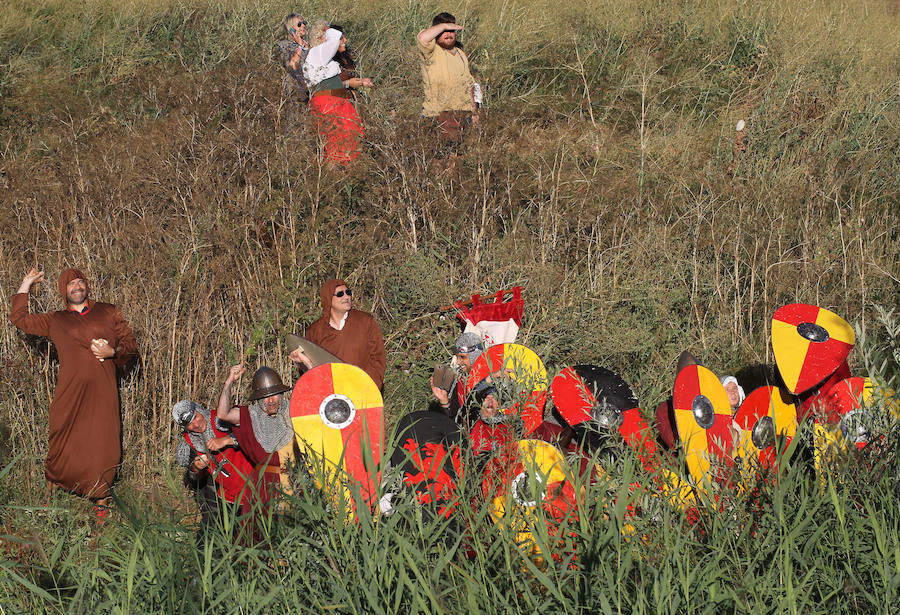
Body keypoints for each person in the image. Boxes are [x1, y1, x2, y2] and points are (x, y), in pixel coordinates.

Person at [9, 267, 136, 516]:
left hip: (102, 393)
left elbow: (130, 344)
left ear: (86, 285)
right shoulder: (57, 320)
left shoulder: (108, 311)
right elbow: (20, 318)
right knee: (61, 440)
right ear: (63, 291)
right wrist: (26, 284)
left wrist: (114, 352)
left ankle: (101, 503)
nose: (77, 286)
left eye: (80, 282)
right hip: (69, 393)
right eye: (71, 284)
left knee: (103, 444)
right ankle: (51, 491)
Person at [215, 365, 300, 509]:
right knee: (260, 528)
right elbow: (223, 414)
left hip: (296, 481)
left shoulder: (293, 410)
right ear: (258, 399)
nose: (271, 401)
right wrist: (229, 382)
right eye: (265, 398)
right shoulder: (251, 414)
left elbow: (320, 402)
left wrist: (307, 363)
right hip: (265, 486)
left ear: (281, 394)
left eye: (274, 395)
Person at [173, 400, 253, 544]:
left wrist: (228, 439)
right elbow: (194, 478)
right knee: (215, 541)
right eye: (190, 424)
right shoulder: (189, 442)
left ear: (199, 409)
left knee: (253, 538)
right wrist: (196, 468)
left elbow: (257, 432)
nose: (196, 424)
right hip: (226, 498)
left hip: (253, 491)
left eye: (196, 417)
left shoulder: (222, 419)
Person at [294, 279, 386, 389]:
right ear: (328, 298)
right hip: (331, 394)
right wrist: (301, 361)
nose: (346, 296)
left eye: (348, 292)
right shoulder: (316, 330)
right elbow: (312, 368)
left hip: (363, 390)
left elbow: (378, 357)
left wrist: (368, 386)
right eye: (340, 294)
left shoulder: (365, 321)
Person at [303, 21, 374, 164]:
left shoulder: (324, 58)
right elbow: (334, 37)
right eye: (342, 38)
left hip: (338, 104)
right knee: (337, 148)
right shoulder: (317, 53)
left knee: (348, 145)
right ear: (323, 38)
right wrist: (327, 29)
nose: (344, 40)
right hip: (328, 105)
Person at [416, 13, 478, 152]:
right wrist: (444, 26)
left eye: (452, 30)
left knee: (457, 157)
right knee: (439, 158)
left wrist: (474, 112)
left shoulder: (460, 54)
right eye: (444, 31)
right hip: (438, 112)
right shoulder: (431, 51)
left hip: (462, 113)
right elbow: (422, 38)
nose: (448, 34)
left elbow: (469, 84)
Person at [430, 332, 484, 423]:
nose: (458, 362)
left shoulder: (491, 381)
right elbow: (453, 422)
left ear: (475, 355)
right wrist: (444, 402)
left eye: (462, 357)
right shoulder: (460, 380)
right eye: (457, 357)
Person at [275, 13, 310, 125]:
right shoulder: (284, 46)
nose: (303, 26)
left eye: (304, 23)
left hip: (311, 91)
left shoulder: (309, 45)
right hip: (295, 91)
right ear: (290, 29)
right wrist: (299, 46)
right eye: (299, 24)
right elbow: (290, 65)